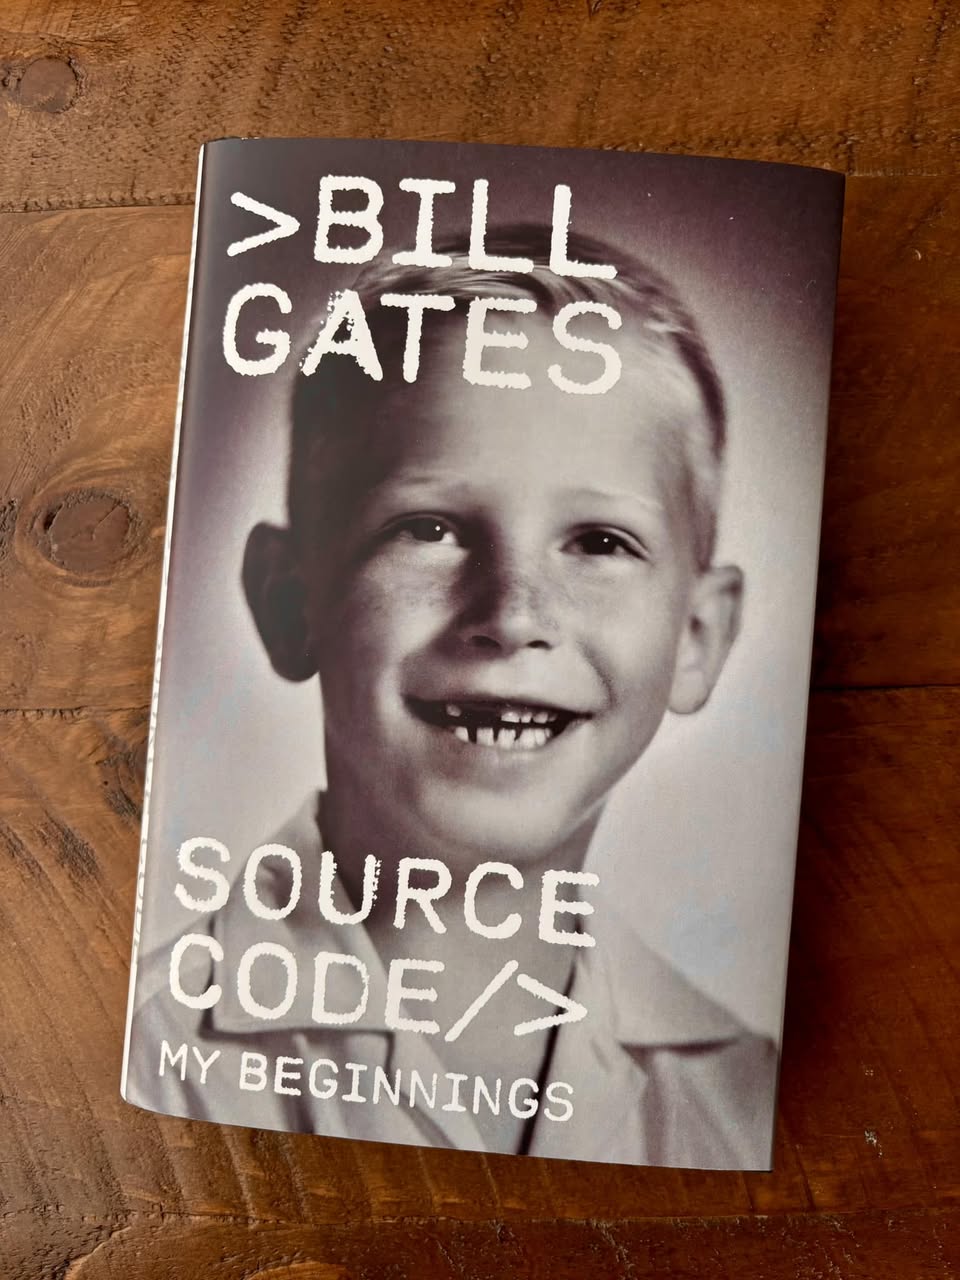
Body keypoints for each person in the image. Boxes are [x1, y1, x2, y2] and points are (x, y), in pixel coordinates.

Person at [125, 226, 777, 1169]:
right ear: (289, 601)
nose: (512, 617)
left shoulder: (741, 1100)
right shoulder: (148, 1057)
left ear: (698, 636)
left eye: (599, 542)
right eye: (428, 528)